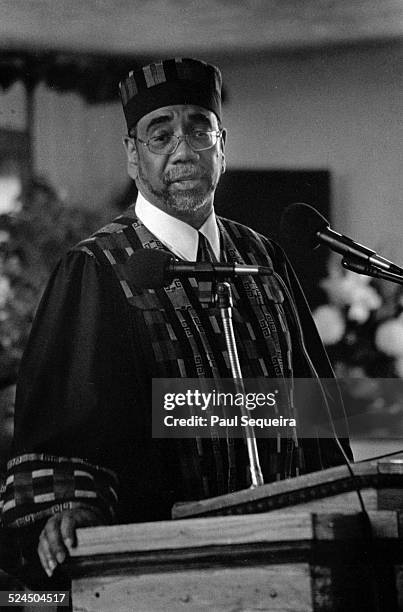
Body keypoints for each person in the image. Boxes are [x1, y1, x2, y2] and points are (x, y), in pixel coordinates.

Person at [2, 58, 352, 581]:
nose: (183, 150)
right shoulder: (98, 268)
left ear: (222, 146)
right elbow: (67, 431)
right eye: (159, 134)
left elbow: (312, 407)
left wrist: (381, 422)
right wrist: (74, 507)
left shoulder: (263, 259)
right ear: (132, 156)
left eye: (198, 130)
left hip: (287, 555)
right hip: (165, 565)